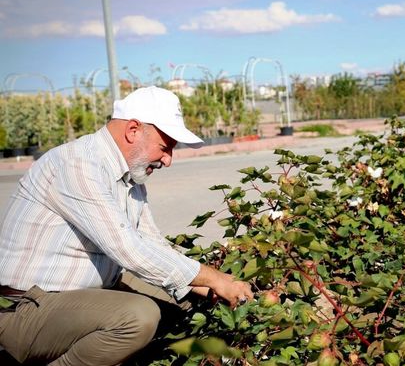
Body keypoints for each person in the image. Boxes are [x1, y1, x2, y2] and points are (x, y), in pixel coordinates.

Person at [0, 86, 253, 365]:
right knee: (137, 317)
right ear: (133, 130)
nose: (168, 160)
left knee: (185, 300)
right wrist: (214, 278)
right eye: (165, 147)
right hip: (25, 308)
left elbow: (151, 243)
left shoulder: (129, 178)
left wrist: (207, 286)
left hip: (84, 294)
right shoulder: (78, 164)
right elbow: (128, 248)